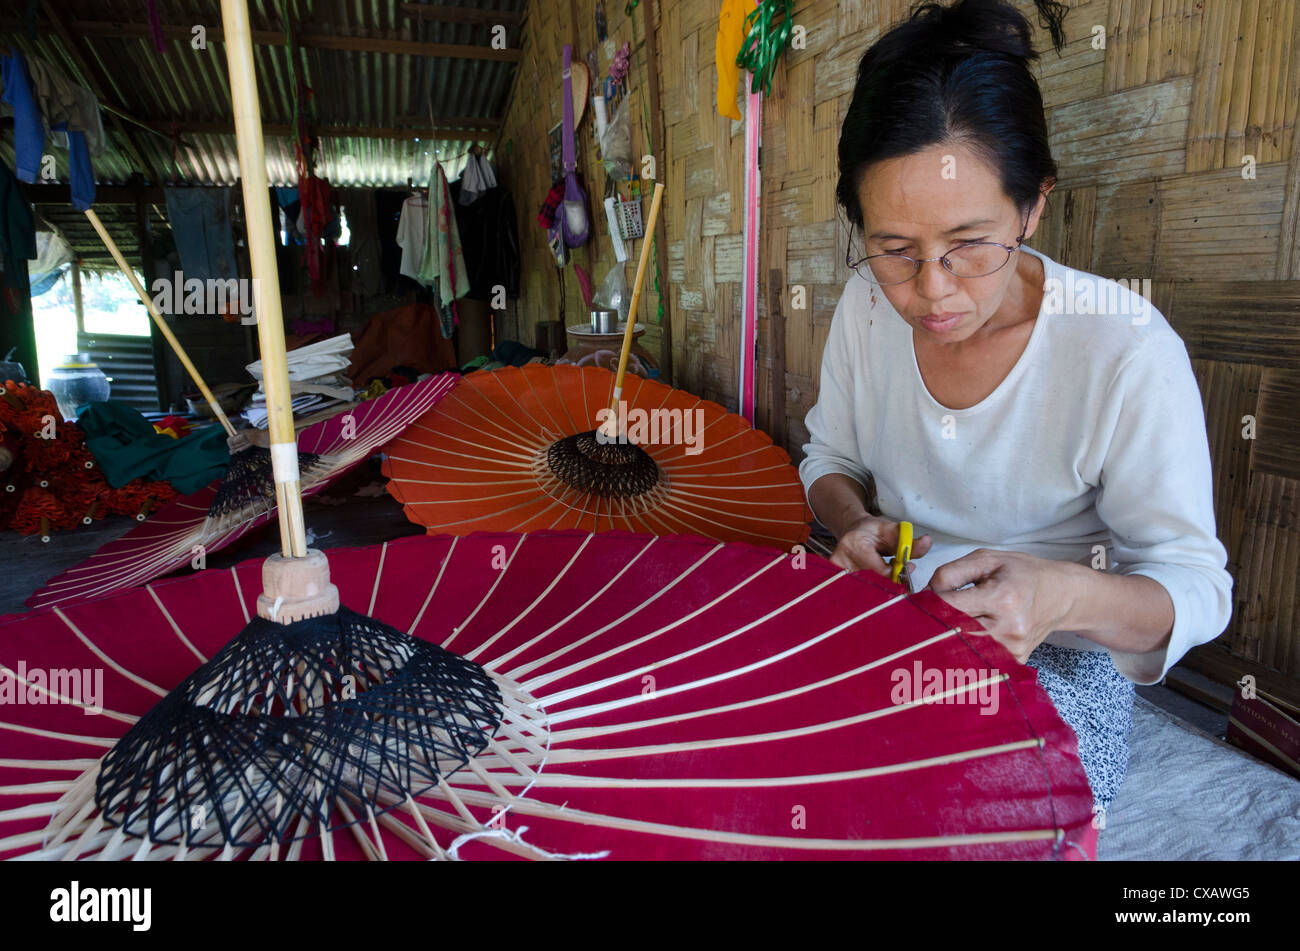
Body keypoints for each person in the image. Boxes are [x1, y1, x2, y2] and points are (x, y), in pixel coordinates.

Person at [800, 0, 1232, 811]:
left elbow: (1197, 590)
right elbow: (828, 460)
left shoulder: (1124, 349)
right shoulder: (863, 305)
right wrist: (852, 520)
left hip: (1058, 656)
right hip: (892, 616)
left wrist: (1060, 594)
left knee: (973, 813)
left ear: (1033, 204)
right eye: (895, 249)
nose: (932, 289)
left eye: (969, 243)